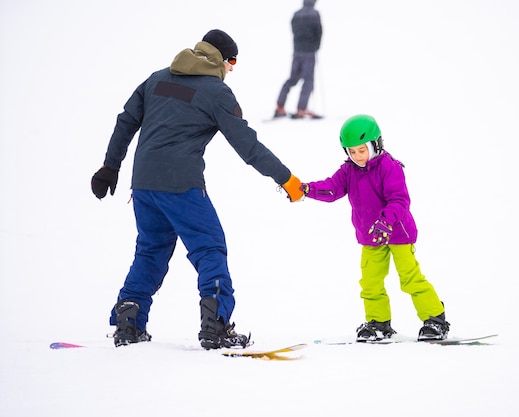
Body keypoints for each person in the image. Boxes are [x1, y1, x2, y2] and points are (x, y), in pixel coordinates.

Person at [91, 29, 305, 350]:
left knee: (150, 250)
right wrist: (286, 178)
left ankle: (129, 321)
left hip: (145, 184)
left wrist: (110, 167)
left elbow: (126, 121)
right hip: (181, 184)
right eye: (232, 60)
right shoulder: (217, 93)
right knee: (209, 247)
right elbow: (247, 146)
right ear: (221, 58)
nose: (232, 68)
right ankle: (215, 325)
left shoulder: (156, 80)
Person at [299, 114, 450, 342]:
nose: (358, 156)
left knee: (409, 278)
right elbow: (332, 189)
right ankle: (378, 323)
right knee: (370, 283)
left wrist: (385, 222)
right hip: (370, 238)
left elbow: (400, 200)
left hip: (398, 233)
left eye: (362, 150)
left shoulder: (389, 168)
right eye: (352, 152)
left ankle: (435, 319)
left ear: (376, 144)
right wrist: (307, 189)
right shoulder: (348, 171)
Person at [274, 0, 323, 119]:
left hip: (297, 51)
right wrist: (315, 46)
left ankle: (280, 107)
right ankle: (301, 109)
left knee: (292, 79)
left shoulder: (296, 14)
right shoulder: (314, 14)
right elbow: (319, 32)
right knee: (308, 80)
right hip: (309, 51)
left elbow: (293, 30)